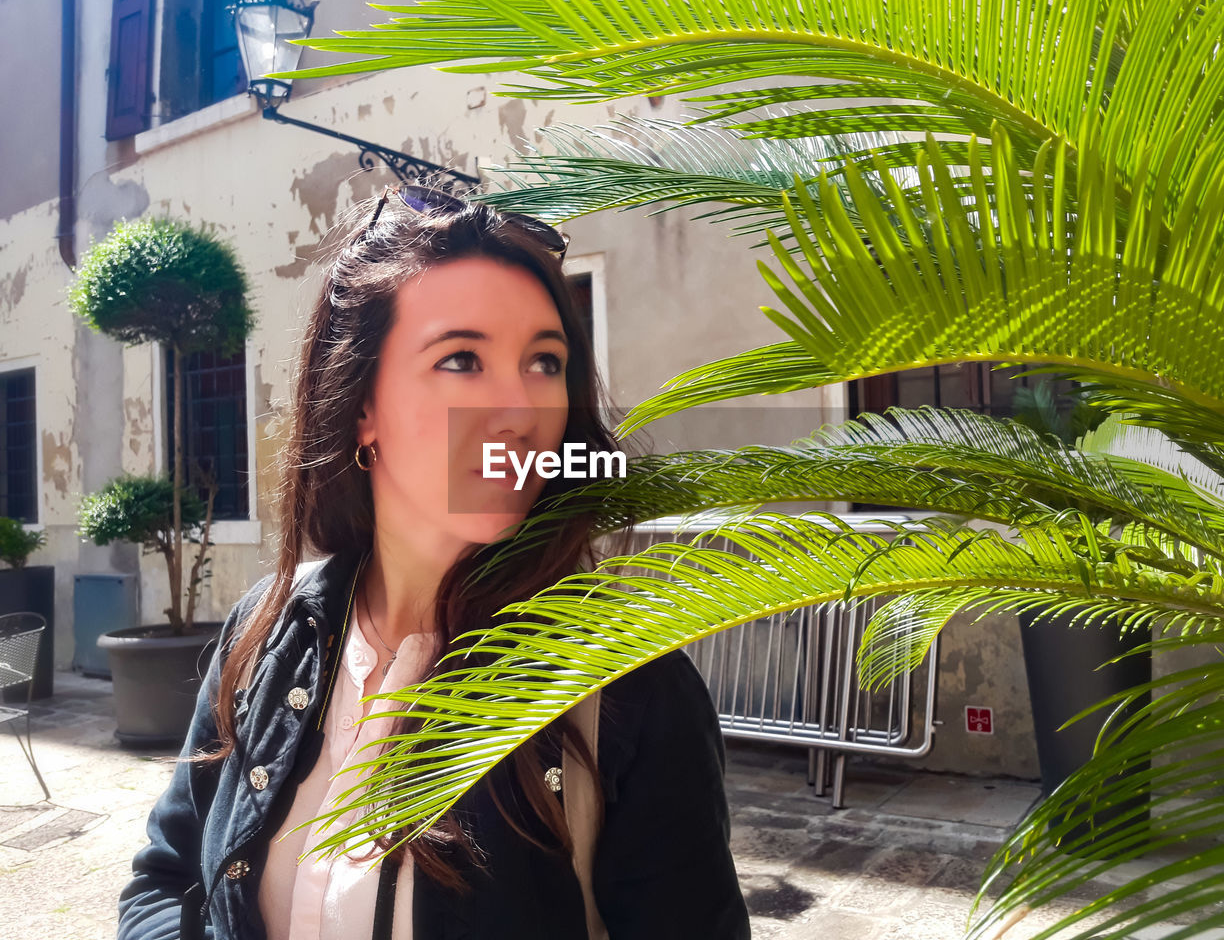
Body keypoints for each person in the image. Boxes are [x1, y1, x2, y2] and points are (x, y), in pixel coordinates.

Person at [115, 184, 752, 940]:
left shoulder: (627, 693)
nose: (521, 411)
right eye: (461, 359)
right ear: (361, 408)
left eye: (545, 362)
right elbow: (167, 875)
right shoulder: (265, 632)